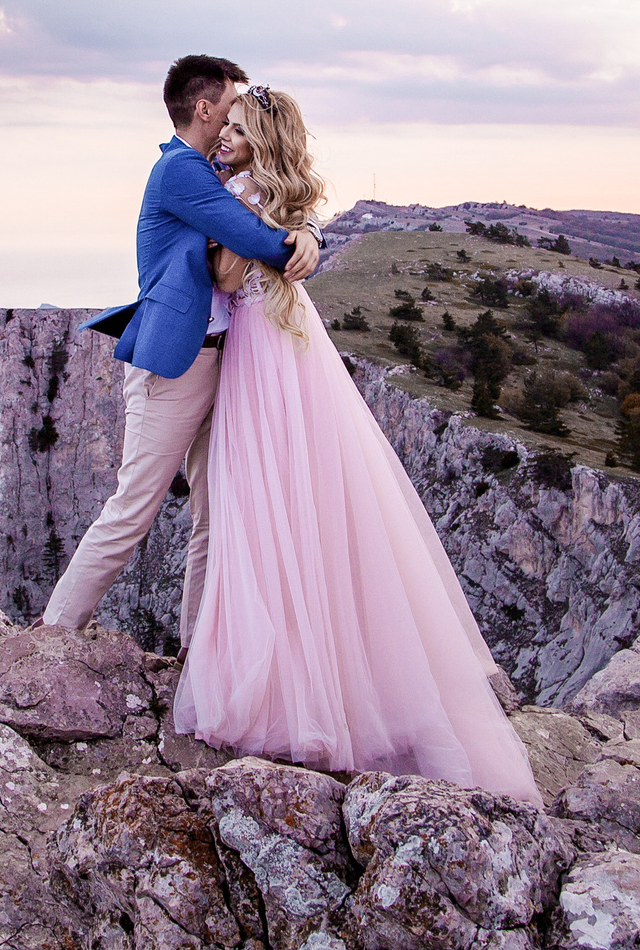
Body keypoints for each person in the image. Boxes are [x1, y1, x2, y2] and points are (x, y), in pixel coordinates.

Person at [173, 84, 539, 800]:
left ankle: (283, 689)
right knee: (312, 503)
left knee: (260, 505)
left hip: (262, 353)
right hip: (295, 343)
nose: (225, 139)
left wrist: (225, 226)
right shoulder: (274, 195)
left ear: (260, 143)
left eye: (238, 131)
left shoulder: (241, 190)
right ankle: (343, 683)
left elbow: (224, 272)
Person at [42, 56, 322, 642]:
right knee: (132, 510)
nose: (231, 123)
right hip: (178, 363)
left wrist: (310, 231)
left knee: (213, 516)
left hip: (224, 357)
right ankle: (52, 636)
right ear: (205, 108)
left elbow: (266, 212)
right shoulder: (181, 173)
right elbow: (252, 237)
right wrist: (301, 239)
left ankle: (197, 656)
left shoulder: (214, 173)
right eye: (230, 110)